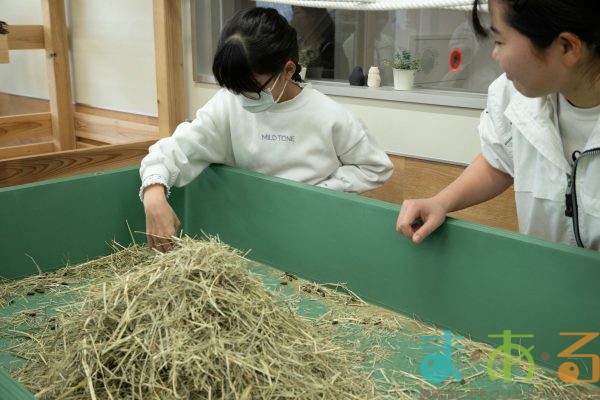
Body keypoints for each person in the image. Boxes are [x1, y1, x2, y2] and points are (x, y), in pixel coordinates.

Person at [141, 7, 393, 252]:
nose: (241, 97)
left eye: (251, 87)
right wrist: (154, 193)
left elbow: (376, 167)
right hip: (251, 237)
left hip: (312, 235)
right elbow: (176, 149)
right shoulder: (228, 103)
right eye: (234, 87)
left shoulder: (328, 115)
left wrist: (322, 191)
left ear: (288, 70)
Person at [396, 0, 600, 250]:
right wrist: (440, 202)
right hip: (545, 274)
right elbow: (499, 161)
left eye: (500, 42)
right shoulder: (515, 96)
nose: (495, 55)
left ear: (567, 47)